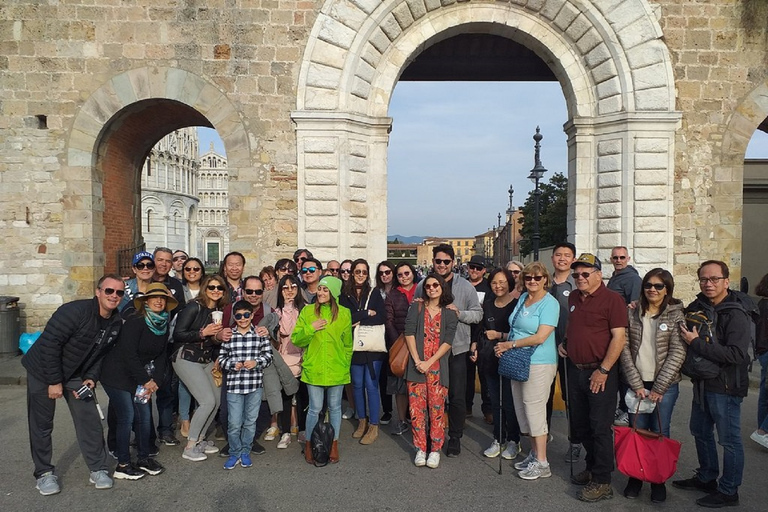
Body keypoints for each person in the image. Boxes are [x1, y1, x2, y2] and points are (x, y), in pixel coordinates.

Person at [22, 274, 125, 495]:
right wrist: (54, 381)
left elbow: (101, 353)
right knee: (41, 425)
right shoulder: (73, 312)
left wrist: (92, 377)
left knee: (90, 418)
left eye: (119, 292)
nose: (114, 296)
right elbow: (50, 345)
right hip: (43, 370)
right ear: (98, 292)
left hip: (76, 374)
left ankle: (98, 468)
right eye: (109, 291)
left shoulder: (116, 321)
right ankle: (44, 473)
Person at [673, 261, 753, 508]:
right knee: (700, 432)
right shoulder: (699, 306)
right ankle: (707, 477)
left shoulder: (736, 313)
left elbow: (738, 355)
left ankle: (729, 491)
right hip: (701, 383)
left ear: (726, 282)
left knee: (729, 440)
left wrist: (696, 344)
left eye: (714, 279)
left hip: (726, 386)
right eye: (704, 279)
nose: (708, 284)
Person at [560, 253, 627, 502]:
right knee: (581, 424)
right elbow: (575, 327)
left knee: (600, 427)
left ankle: (603, 480)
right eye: (576, 274)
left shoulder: (613, 300)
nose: (579, 278)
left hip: (600, 371)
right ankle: (591, 467)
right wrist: (566, 343)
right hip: (575, 368)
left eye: (585, 273)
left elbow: (619, 338)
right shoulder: (575, 297)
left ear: (599, 274)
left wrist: (604, 370)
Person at [618, 268, 686, 502]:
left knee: (659, 432)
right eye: (648, 285)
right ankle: (635, 477)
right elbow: (624, 348)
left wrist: (659, 387)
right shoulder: (633, 312)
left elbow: (678, 351)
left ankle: (658, 480)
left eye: (658, 286)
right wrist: (636, 382)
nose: (652, 290)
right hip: (637, 383)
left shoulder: (675, 314)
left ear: (667, 289)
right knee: (637, 431)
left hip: (664, 387)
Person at [101, 283, 177, 480]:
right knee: (127, 416)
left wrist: (156, 381)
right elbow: (129, 354)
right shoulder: (136, 321)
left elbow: (161, 356)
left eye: (163, 298)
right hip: (117, 374)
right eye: (154, 298)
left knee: (144, 416)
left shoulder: (162, 323)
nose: (159, 301)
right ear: (146, 302)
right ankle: (123, 464)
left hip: (139, 376)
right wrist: (146, 380)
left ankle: (143, 458)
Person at [414, 243, 482, 457]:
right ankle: (430, 434)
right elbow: (415, 311)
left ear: (453, 263)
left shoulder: (465, 287)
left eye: (446, 261)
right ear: (433, 262)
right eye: (438, 261)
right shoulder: (423, 284)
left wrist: (459, 313)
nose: (442, 265)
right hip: (428, 351)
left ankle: (455, 437)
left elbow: (478, 314)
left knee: (457, 395)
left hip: (456, 348)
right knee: (429, 396)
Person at [499, 263, 560, 480]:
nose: (532, 281)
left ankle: (543, 462)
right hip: (518, 360)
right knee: (522, 410)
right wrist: (505, 342)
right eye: (528, 278)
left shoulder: (550, 303)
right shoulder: (524, 299)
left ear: (545, 279)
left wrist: (510, 345)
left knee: (535, 411)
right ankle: (534, 454)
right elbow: (515, 329)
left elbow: (541, 336)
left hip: (539, 361)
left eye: (537, 277)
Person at [292, 276, 353, 464]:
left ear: (334, 292)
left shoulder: (344, 313)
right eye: (319, 289)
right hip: (314, 368)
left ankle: (333, 444)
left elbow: (347, 344)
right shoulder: (308, 311)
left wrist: (345, 365)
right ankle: (310, 445)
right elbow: (296, 339)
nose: (320, 292)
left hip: (337, 368)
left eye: (325, 290)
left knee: (335, 408)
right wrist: (311, 328)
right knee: (315, 408)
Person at [172, 274, 231, 462]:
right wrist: (202, 332)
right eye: (211, 287)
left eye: (219, 288)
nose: (215, 291)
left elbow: (211, 342)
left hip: (205, 359)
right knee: (206, 401)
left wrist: (218, 337)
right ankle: (190, 447)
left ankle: (200, 439)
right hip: (186, 356)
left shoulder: (218, 310)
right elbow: (178, 333)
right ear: (205, 288)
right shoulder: (194, 306)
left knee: (216, 399)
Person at [404, 273, 458, 469]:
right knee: (417, 409)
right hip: (416, 365)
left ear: (442, 287)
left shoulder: (450, 313)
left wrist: (430, 361)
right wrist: (418, 360)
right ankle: (420, 448)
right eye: (428, 286)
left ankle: (435, 449)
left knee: (437, 409)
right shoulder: (416, 308)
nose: (432, 288)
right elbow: (409, 332)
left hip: (437, 367)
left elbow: (448, 342)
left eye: (436, 285)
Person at [471, 267, 521, 460]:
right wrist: (474, 346)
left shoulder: (517, 305)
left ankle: (513, 440)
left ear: (509, 283)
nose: (498, 286)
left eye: (502, 282)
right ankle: (498, 438)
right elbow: (480, 328)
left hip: (510, 357)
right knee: (495, 401)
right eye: (494, 283)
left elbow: (522, 334)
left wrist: (501, 336)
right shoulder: (488, 304)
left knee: (509, 402)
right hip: (489, 357)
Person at [218, 300, 273, 470]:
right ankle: (234, 452)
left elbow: (268, 356)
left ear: (251, 316)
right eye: (239, 315)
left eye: (246, 315)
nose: (242, 319)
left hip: (254, 385)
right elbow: (221, 358)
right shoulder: (229, 335)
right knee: (234, 422)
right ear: (234, 316)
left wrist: (256, 362)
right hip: (234, 386)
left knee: (250, 421)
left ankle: (245, 451)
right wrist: (232, 365)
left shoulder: (259, 334)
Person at [340, 259, 387, 444]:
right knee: (357, 385)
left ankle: (374, 425)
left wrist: (359, 321)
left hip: (373, 345)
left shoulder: (375, 293)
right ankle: (362, 421)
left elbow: (382, 317)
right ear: (352, 273)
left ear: (368, 275)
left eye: (364, 272)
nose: (360, 275)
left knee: (371, 384)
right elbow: (345, 319)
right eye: (357, 271)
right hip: (354, 346)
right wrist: (366, 314)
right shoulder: (344, 295)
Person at [545, 242, 581, 462]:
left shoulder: (578, 284)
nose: (562, 259)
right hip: (545, 347)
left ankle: (575, 442)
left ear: (573, 259)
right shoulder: (543, 282)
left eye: (567, 255)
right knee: (543, 397)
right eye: (558, 254)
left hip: (569, 349)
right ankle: (542, 437)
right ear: (553, 258)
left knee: (571, 398)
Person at [149, 246, 186, 447]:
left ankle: (165, 429)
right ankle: (143, 433)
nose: (163, 264)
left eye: (167, 261)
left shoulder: (176, 285)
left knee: (166, 388)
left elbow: (179, 313)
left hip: (167, 343)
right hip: (145, 344)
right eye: (160, 260)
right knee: (141, 390)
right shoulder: (146, 282)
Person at [272, 274, 308, 448]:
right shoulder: (277, 312)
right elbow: (285, 330)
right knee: (286, 396)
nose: (289, 291)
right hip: (284, 357)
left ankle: (302, 429)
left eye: (293, 286)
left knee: (303, 396)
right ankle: (285, 431)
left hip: (303, 358)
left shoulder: (306, 309)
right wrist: (286, 306)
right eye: (285, 287)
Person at [385, 262, 418, 435]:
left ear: (412, 273)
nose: (404, 277)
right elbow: (388, 320)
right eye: (400, 274)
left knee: (418, 385)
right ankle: (401, 420)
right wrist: (398, 341)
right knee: (399, 385)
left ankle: (417, 419)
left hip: (420, 344)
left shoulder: (421, 290)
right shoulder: (392, 295)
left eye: (407, 273)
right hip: (400, 343)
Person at [466, 254, 493, 424]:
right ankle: (466, 408)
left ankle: (488, 409)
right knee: (466, 376)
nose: (474, 270)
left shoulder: (488, 288)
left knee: (485, 375)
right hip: (463, 335)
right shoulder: (461, 285)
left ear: (484, 270)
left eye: (478, 268)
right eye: (472, 267)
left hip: (482, 336)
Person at [375, 260, 397, 424]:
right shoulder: (376, 292)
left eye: (387, 272)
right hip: (380, 338)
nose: (384, 275)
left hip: (397, 336)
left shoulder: (399, 291)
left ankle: (408, 412)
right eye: (381, 273)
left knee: (401, 373)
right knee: (383, 377)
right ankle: (387, 409)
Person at [752, 273, 768, 449]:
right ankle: (763, 430)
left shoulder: (761, 304)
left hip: (763, 352)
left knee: (764, 393)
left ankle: (762, 431)